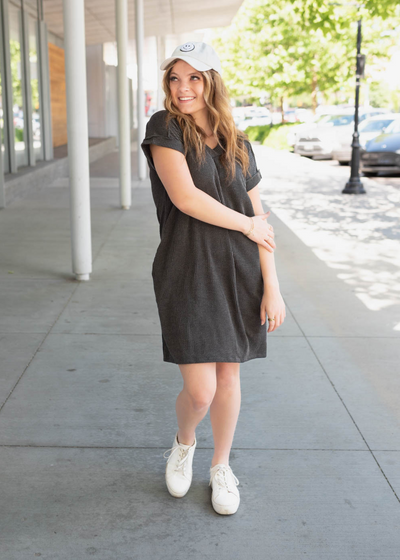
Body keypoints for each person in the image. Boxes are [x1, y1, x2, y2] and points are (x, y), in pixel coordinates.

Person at [140, 41, 285, 515]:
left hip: (240, 271)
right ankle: (185, 444)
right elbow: (185, 198)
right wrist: (246, 225)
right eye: (175, 79)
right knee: (199, 390)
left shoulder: (239, 143)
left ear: (212, 81)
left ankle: (221, 466)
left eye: (194, 78)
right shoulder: (166, 128)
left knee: (228, 378)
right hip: (187, 268)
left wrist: (272, 286)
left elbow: (260, 219)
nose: (182, 88)